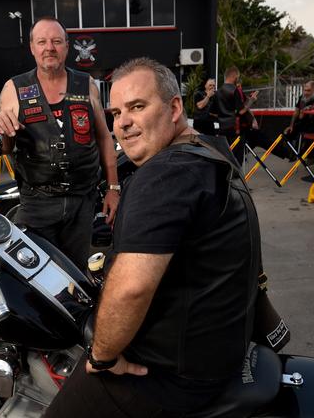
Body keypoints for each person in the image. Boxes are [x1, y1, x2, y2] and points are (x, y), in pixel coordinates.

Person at [44, 58, 261, 417]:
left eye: (137, 107)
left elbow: (132, 288)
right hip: (218, 349)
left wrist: (102, 356)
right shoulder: (212, 151)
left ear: (175, 107)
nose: (122, 123)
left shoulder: (165, 175)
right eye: (115, 113)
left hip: (170, 376)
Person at [0, 17, 119, 271]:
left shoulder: (86, 84)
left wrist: (113, 188)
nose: (49, 47)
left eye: (56, 41)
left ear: (66, 47)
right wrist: (1, 126)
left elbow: (104, 136)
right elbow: (5, 147)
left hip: (81, 200)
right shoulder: (14, 88)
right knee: (30, 273)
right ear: (32, 48)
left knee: (75, 272)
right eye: (42, 41)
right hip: (36, 202)